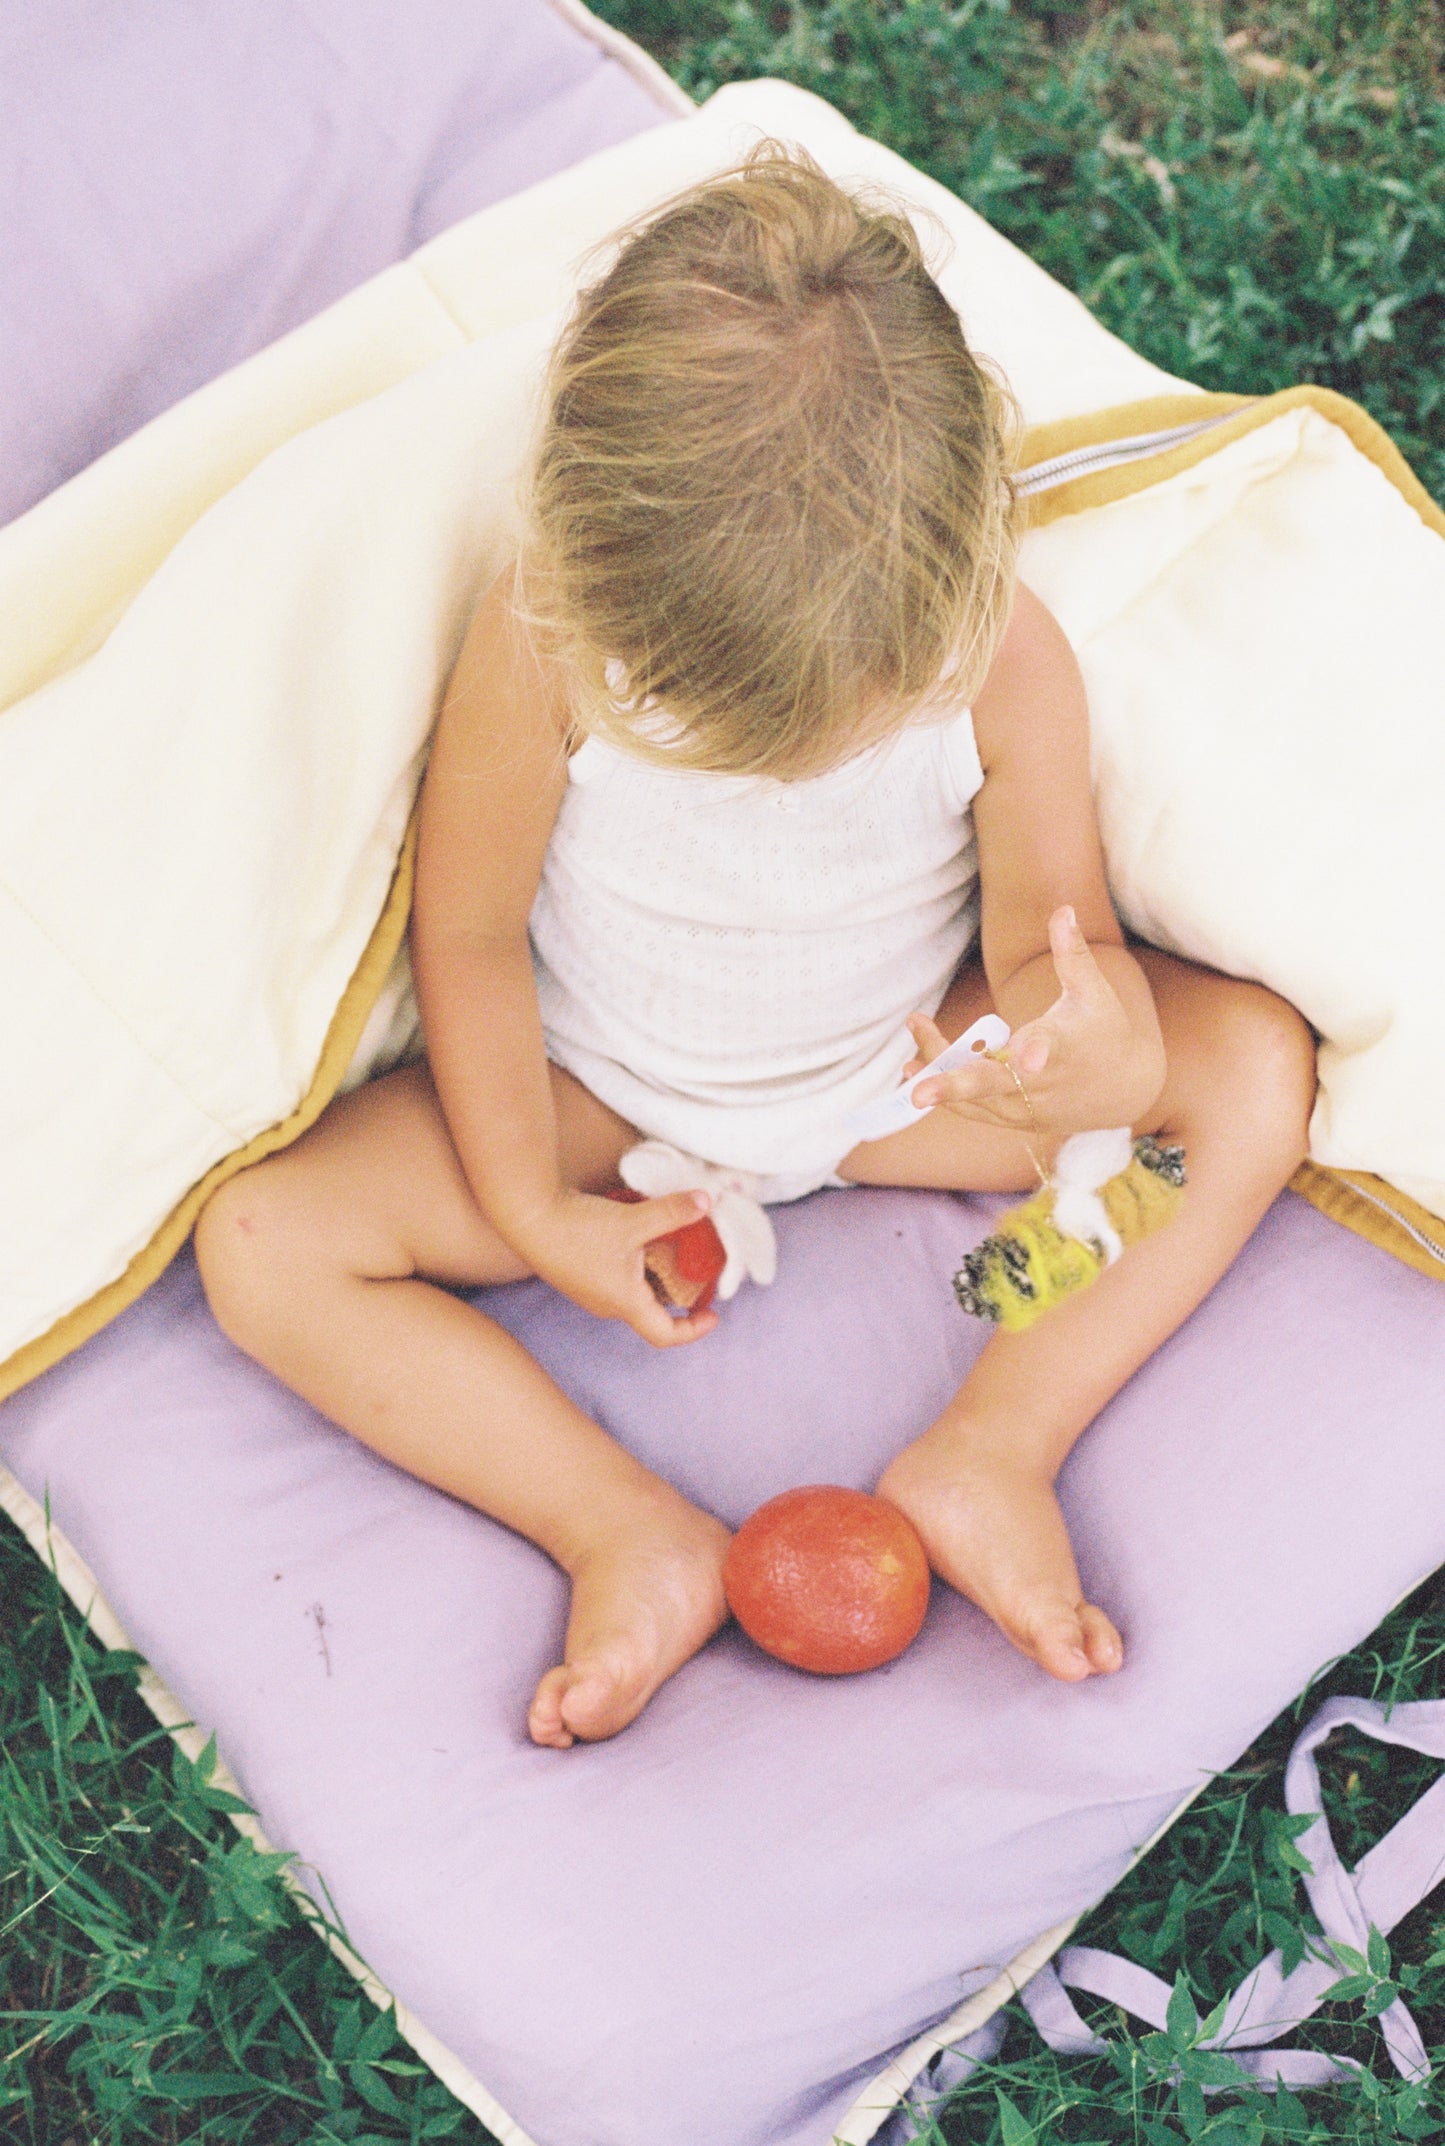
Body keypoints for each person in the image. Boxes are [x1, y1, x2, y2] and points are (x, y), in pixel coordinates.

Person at [194, 148, 1316, 1749]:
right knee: (268, 1247)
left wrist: (1088, 1053)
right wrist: (536, 1207)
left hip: (890, 1085)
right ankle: (620, 1529)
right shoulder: (549, 647)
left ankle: (996, 1431)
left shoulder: (996, 658)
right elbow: (469, 931)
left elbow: (1050, 955)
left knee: (1245, 1078)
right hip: (600, 1100)